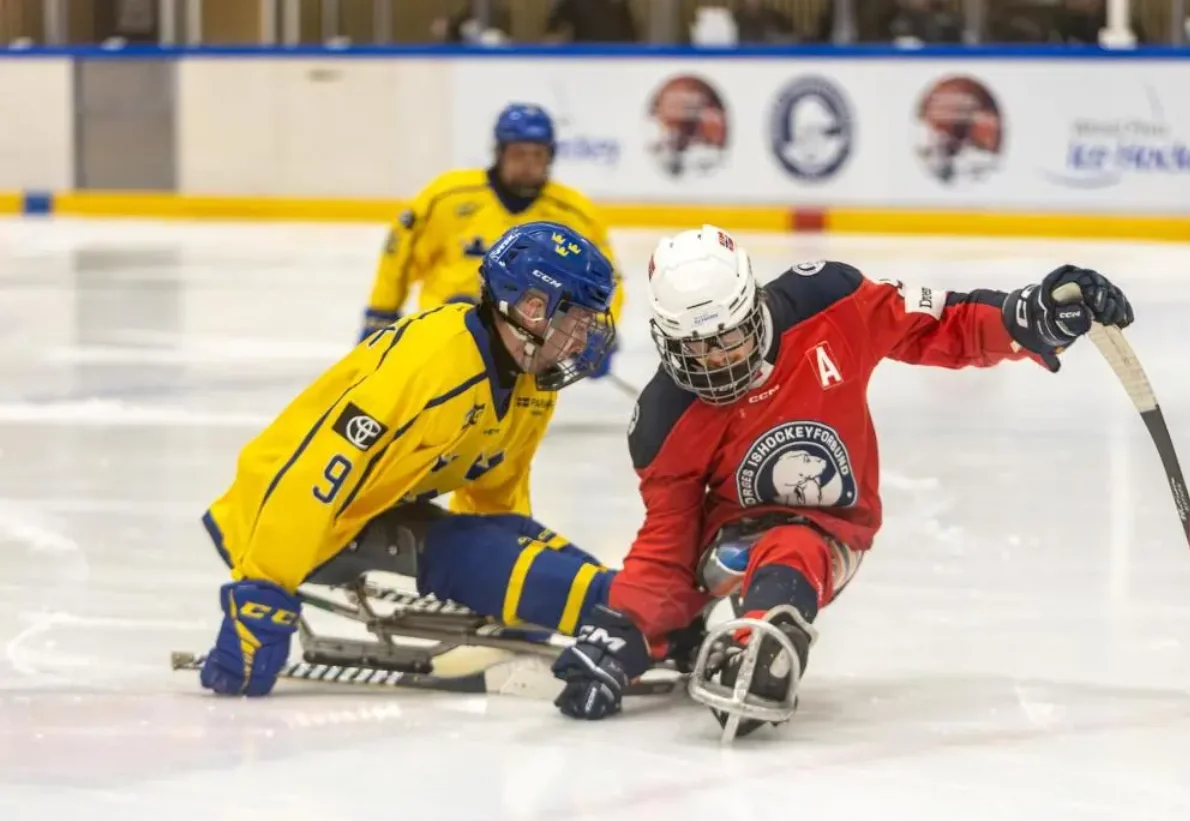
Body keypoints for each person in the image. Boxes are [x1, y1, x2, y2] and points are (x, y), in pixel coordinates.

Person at [545, 225, 1136, 737]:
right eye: (696, 349)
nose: (720, 360)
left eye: (729, 337)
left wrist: (1025, 319)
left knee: (793, 549)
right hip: (726, 540)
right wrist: (626, 632)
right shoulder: (663, 421)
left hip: (830, 527)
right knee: (678, 587)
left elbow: (938, 323)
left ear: (755, 307)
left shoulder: (828, 301)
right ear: (667, 341)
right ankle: (685, 631)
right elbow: (669, 542)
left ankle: (764, 638)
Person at [197, 222, 618, 697]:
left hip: (374, 505)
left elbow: (496, 502)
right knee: (461, 550)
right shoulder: (431, 363)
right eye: (576, 321)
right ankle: (624, 614)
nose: (583, 341)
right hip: (284, 523)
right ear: (532, 308)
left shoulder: (530, 381)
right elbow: (314, 470)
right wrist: (262, 592)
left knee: (503, 543)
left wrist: (514, 590)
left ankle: (622, 603)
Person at [361, 103, 624, 376]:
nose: (528, 164)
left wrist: (597, 330)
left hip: (527, 347)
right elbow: (400, 254)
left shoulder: (575, 214)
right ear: (500, 152)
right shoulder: (448, 197)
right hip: (445, 338)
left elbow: (603, 279)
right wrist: (382, 310)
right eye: (519, 154)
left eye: (538, 155)